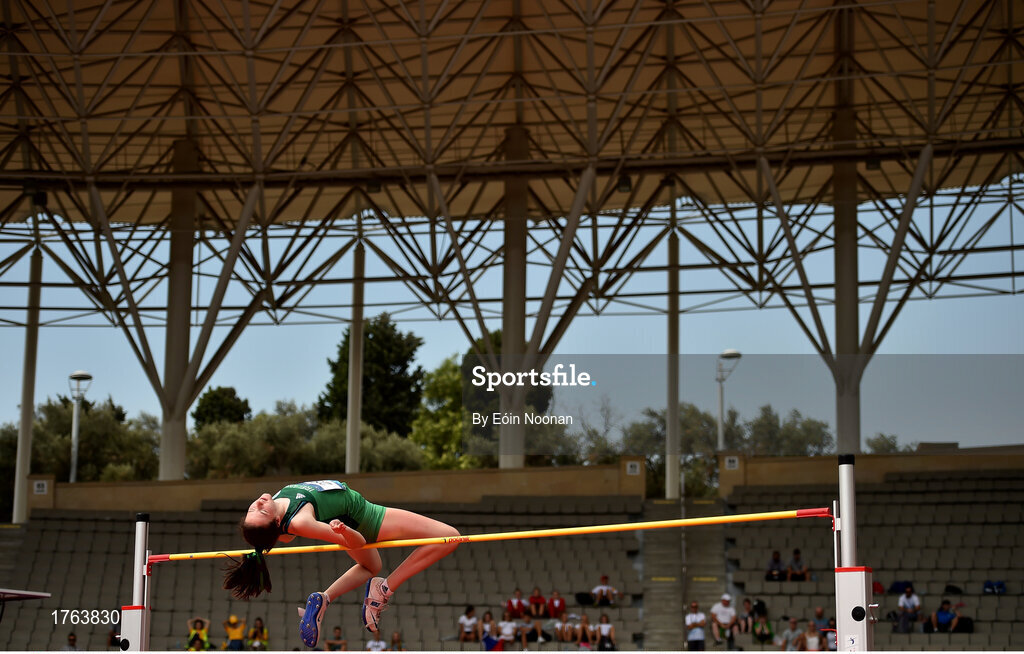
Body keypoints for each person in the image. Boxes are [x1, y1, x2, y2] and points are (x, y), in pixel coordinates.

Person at [224, 480, 460, 648]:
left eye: (253, 509)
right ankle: (383, 590)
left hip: (354, 511)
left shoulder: (277, 507)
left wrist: (264, 541)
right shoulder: (301, 521)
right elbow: (357, 542)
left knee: (371, 567)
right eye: (261, 511)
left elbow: (283, 535)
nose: (258, 503)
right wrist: (345, 531)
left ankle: (324, 599)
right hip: (367, 518)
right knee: (449, 537)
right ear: (276, 520)